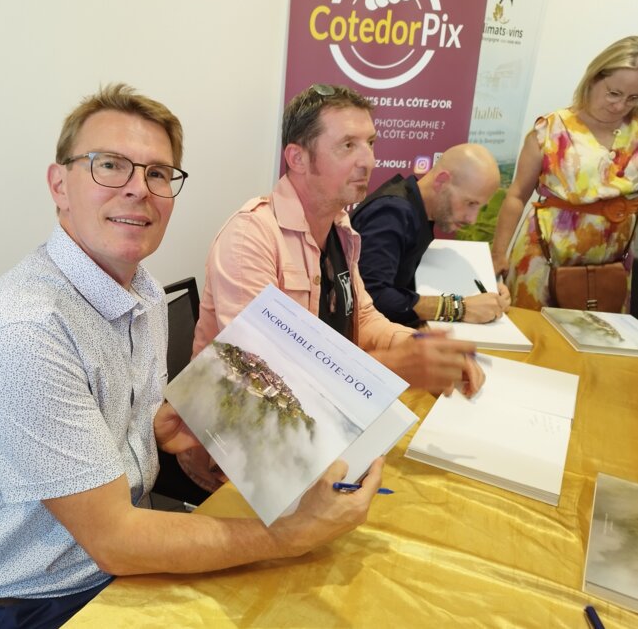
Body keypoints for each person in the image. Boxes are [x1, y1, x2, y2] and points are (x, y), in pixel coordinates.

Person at [0, 84, 386, 629]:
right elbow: (116, 540)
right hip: (37, 603)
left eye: (157, 174)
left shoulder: (142, 290)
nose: (137, 189)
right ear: (59, 185)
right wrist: (291, 535)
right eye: (109, 166)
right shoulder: (27, 329)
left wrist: (156, 430)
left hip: (117, 571)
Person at [180, 84, 484, 493]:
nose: (368, 160)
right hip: (239, 457)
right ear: (297, 158)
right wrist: (396, 367)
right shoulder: (250, 236)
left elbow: (364, 318)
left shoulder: (340, 229)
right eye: (348, 145)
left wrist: (421, 347)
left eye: (370, 143)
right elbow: (262, 377)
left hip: (316, 434)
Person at [491, 36, 638, 310]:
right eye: (613, 93)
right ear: (593, 79)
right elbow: (517, 195)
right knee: (534, 331)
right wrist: (499, 253)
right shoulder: (552, 129)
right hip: (545, 259)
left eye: (633, 98)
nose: (620, 106)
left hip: (612, 268)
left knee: (597, 335)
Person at [350, 144, 510, 327]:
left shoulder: (414, 210)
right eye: (470, 203)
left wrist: (488, 287)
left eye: (479, 207)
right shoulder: (392, 213)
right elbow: (371, 296)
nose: (472, 219)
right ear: (441, 181)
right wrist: (458, 308)